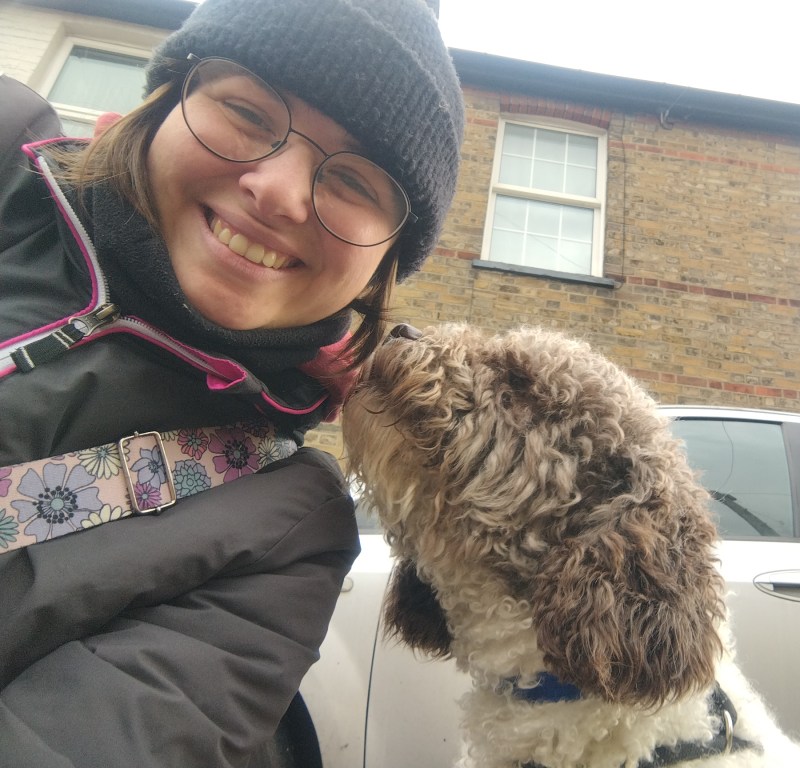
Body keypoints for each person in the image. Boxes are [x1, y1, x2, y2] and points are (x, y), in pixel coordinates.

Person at [0, 0, 463, 765]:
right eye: (248, 112)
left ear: (385, 262)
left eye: (356, 181)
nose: (278, 192)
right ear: (169, 99)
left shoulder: (288, 533)